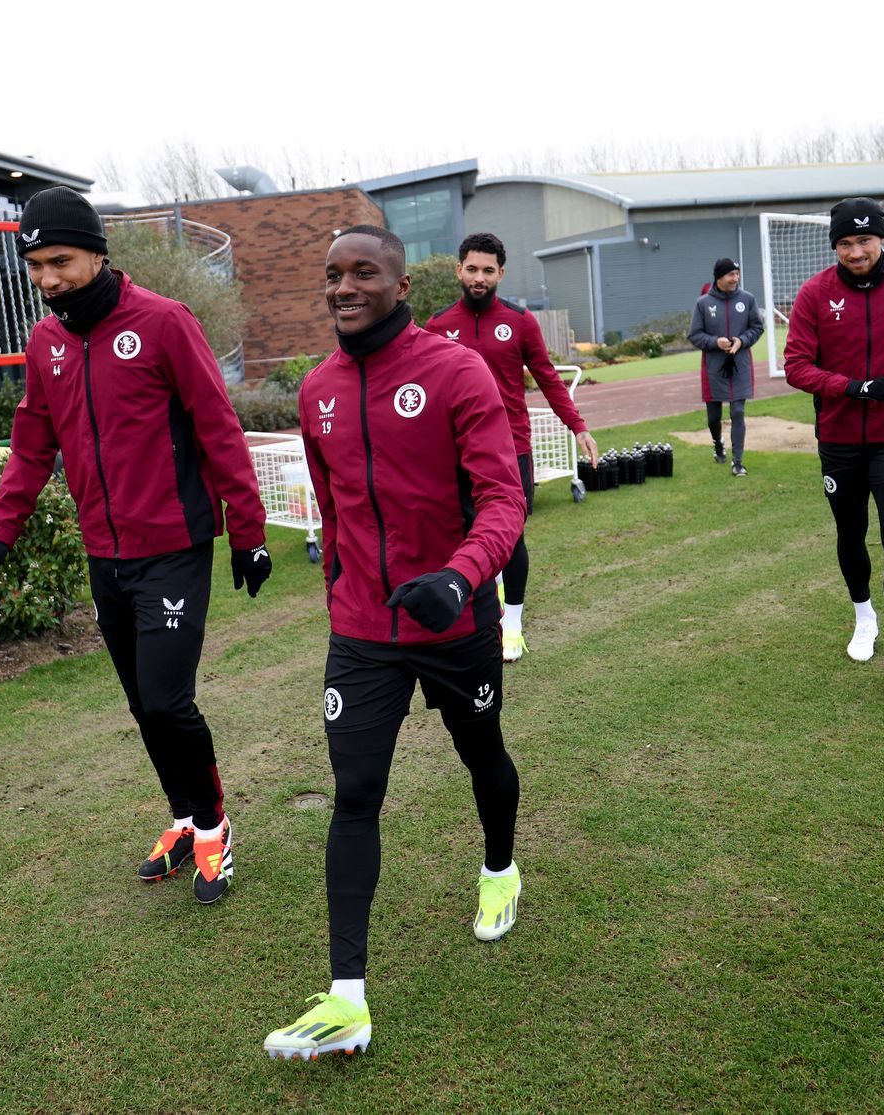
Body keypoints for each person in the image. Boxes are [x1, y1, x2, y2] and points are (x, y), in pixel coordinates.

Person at [263, 225, 526, 1061]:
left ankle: (498, 873)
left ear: (402, 283)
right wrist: (341, 579)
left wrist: (460, 575)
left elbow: (502, 498)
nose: (343, 286)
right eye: (332, 274)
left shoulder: (456, 371)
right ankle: (348, 1002)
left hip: (453, 622)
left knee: (482, 754)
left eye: (361, 272)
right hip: (364, 633)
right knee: (355, 792)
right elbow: (336, 506)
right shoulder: (316, 391)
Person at [0, 186, 272, 903]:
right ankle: (182, 816)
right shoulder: (46, 343)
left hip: (172, 545)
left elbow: (217, 427)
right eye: (35, 265)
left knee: (170, 701)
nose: (47, 278)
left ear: (98, 253)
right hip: (104, 554)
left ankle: (213, 828)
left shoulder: (165, 322)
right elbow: (31, 446)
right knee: (143, 704)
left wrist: (249, 533)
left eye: (61, 261)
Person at [783, 198, 884, 688]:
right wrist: (849, 387)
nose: (855, 252)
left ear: (882, 239)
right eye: (845, 243)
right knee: (850, 533)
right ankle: (864, 618)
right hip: (840, 438)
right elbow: (796, 366)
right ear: (836, 245)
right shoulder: (814, 294)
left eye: (864, 240)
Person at [425, 232, 598, 662]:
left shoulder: (520, 322)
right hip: (455, 451)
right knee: (464, 534)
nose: (479, 278)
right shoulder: (437, 327)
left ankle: (513, 623)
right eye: (472, 269)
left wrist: (577, 426)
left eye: (488, 270)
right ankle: (478, 610)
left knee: (511, 538)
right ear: (458, 270)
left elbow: (547, 377)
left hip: (510, 450)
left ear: (501, 273)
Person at [688, 258, 765, 476]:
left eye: (737, 274)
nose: (735, 279)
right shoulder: (703, 303)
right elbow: (694, 335)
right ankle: (718, 444)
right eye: (731, 274)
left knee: (738, 412)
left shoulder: (747, 299)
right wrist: (715, 342)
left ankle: (738, 462)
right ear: (719, 277)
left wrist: (741, 340)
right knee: (713, 417)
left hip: (740, 366)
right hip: (713, 369)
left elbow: (757, 327)